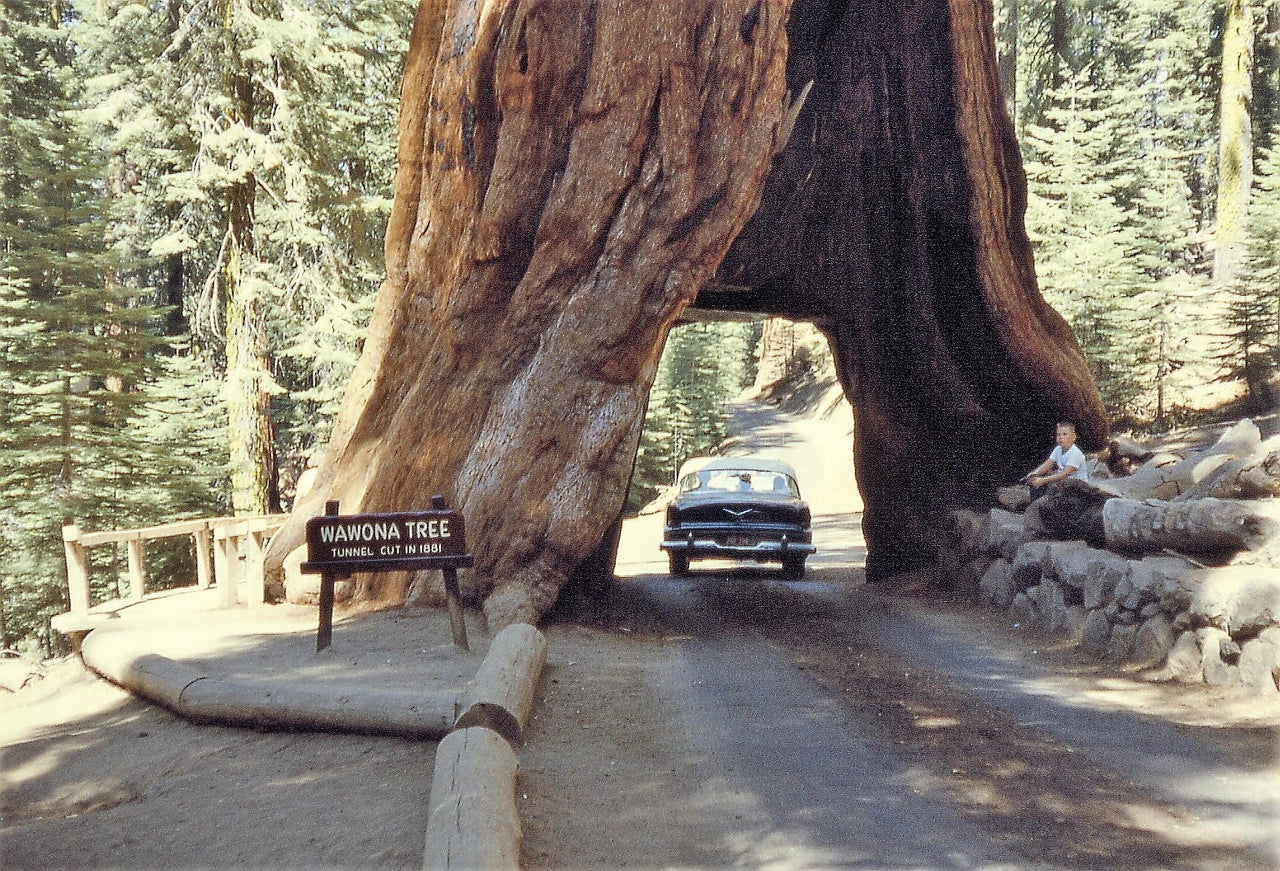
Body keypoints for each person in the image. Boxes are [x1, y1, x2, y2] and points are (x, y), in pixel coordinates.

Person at [1023, 421, 1088, 493]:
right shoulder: (1058, 449)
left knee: (1046, 483)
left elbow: (1065, 474)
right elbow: (1047, 464)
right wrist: (1035, 473)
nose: (1061, 437)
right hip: (1064, 482)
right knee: (1038, 480)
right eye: (1058, 434)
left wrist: (1043, 481)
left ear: (1073, 437)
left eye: (1064, 434)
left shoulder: (1075, 453)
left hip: (1077, 486)